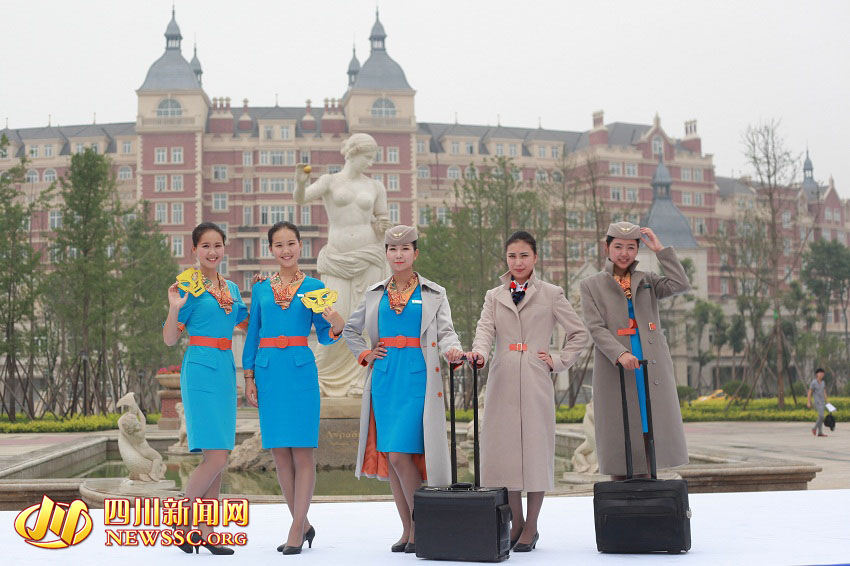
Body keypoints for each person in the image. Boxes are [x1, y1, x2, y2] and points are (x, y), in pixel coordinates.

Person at [344, 225, 464, 554]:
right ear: (385, 254)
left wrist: (453, 350)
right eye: (392, 249)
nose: (398, 255)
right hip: (384, 378)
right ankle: (408, 528)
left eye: (405, 249)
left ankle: (422, 524)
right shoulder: (374, 293)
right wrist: (365, 354)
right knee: (394, 458)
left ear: (416, 253)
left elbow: (446, 332)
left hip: (418, 376)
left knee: (401, 455)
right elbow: (351, 331)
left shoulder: (432, 293)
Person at [466, 230, 588, 552]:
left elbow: (578, 333)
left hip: (535, 377)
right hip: (502, 377)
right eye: (512, 256)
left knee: (535, 452)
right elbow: (484, 331)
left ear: (535, 257)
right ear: (505, 259)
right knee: (504, 454)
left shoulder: (551, 293)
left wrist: (557, 361)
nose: (517, 261)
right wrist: (478, 354)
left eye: (524, 255)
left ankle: (531, 526)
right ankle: (516, 522)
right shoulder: (494, 295)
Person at [242, 221, 346, 554]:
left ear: (301, 246)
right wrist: (248, 377)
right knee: (279, 453)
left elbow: (326, 335)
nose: (286, 250)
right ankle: (303, 523)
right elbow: (253, 334)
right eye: (279, 245)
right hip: (269, 371)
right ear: (270, 250)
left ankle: (295, 529)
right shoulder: (260, 289)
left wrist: (337, 324)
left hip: (300, 370)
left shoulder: (315, 287)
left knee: (302, 451)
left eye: (291, 243)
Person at [579, 221, 690, 483]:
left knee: (648, 422)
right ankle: (621, 493)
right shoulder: (591, 285)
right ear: (607, 247)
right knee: (620, 428)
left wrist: (660, 250)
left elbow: (680, 284)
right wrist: (619, 354)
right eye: (618, 246)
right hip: (615, 365)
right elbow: (595, 328)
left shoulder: (648, 281)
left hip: (650, 364)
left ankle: (648, 488)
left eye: (631, 247)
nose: (624, 253)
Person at [162, 222, 249, 555]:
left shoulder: (230, 288)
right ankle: (180, 518)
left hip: (225, 370)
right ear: (194, 251)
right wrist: (174, 307)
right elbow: (170, 338)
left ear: (224, 248)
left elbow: (249, 322)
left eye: (218, 245)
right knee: (216, 456)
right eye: (205, 246)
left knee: (220, 454)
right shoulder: (189, 287)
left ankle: (205, 532)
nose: (213, 252)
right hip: (199, 368)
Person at [294, 133, 391, 397]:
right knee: (334, 314)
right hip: (337, 259)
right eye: (366, 156)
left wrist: (383, 226)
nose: (369, 162)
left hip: (370, 256)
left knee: (369, 320)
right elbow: (301, 198)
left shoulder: (376, 187)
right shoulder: (329, 181)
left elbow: (382, 219)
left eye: (372, 157)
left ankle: (362, 377)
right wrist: (300, 181)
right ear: (352, 153)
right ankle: (322, 377)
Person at [807, 368, 829, 437]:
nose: (822, 374)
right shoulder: (814, 382)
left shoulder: (823, 382)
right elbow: (810, 392)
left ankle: (820, 432)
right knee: (821, 416)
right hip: (817, 402)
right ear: (817, 374)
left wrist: (827, 401)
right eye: (820, 373)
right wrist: (808, 402)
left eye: (823, 373)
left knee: (821, 417)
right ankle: (814, 428)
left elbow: (824, 392)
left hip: (822, 402)